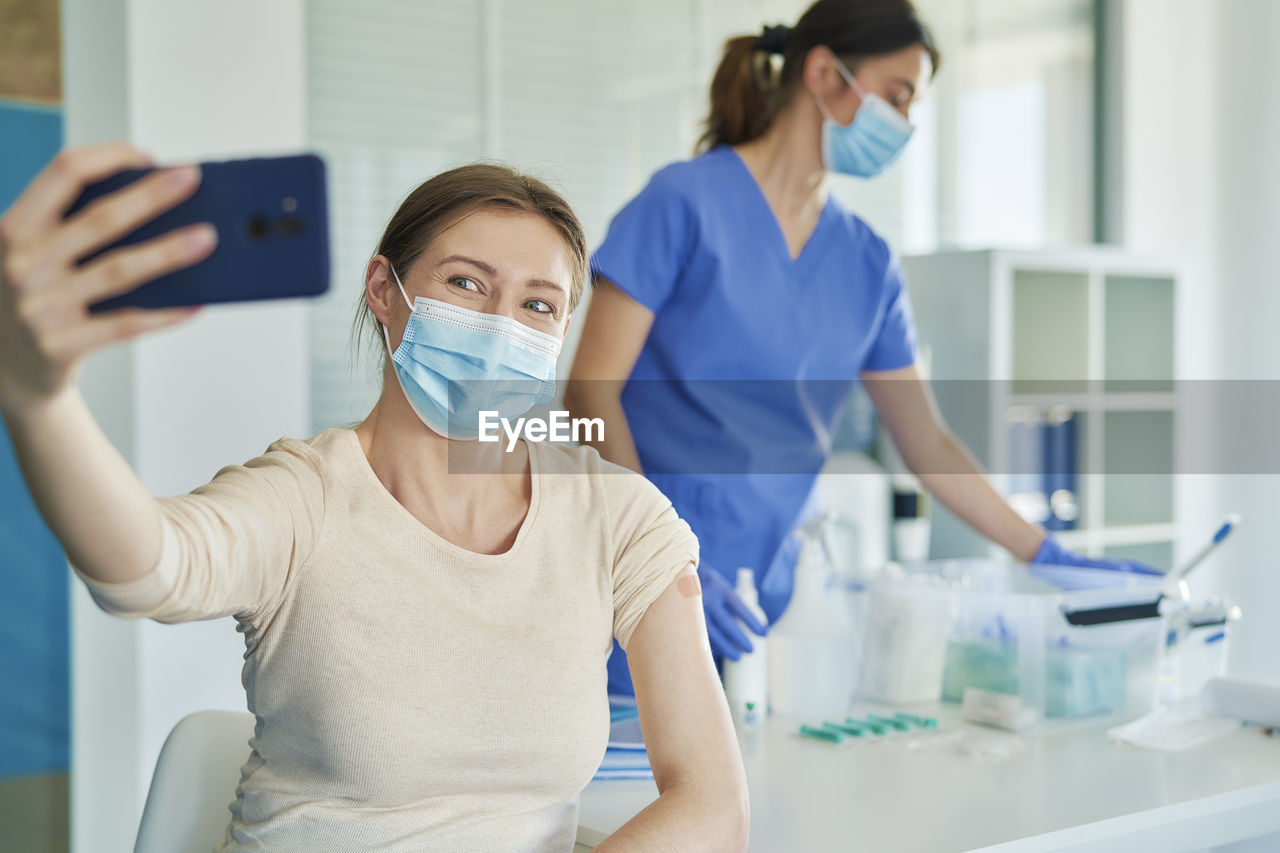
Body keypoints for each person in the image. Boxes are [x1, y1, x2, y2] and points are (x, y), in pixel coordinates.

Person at [0, 144, 749, 852]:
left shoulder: (616, 515)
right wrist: (37, 397)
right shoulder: (305, 498)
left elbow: (713, 804)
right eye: (466, 283)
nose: (499, 325)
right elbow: (145, 568)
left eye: (539, 304)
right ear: (384, 291)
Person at [565, 0, 1158, 694]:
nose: (905, 124)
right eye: (898, 96)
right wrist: (657, 555)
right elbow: (588, 391)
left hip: (769, 601)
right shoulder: (682, 204)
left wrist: (1045, 550)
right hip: (635, 579)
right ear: (824, 72)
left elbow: (927, 441)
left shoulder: (866, 261)